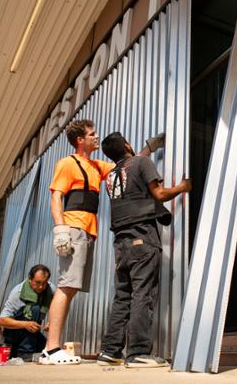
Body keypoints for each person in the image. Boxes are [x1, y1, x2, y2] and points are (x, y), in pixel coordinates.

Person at [40, 119, 163, 365]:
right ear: (80, 140)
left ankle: (62, 348)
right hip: (73, 228)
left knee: (73, 286)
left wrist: (149, 148)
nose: (96, 137)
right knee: (66, 285)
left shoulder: (96, 165)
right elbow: (56, 197)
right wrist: (60, 229)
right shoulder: (67, 163)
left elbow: (130, 164)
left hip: (89, 232)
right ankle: (51, 349)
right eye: (92, 134)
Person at [96, 132, 191, 368]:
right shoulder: (141, 163)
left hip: (120, 242)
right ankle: (138, 352)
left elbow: (132, 174)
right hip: (142, 237)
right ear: (127, 144)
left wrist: (148, 147)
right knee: (142, 294)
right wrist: (182, 187)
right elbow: (159, 194)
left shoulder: (111, 175)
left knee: (123, 297)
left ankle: (110, 351)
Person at [0, 264, 55, 361]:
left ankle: (17, 352)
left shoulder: (51, 289)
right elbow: (1, 321)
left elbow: (60, 305)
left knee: (48, 351)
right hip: (14, 333)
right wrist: (25, 324)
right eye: (37, 282)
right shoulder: (18, 293)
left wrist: (52, 321)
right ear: (30, 279)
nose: (41, 287)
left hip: (32, 333)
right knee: (35, 308)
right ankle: (25, 352)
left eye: (44, 283)